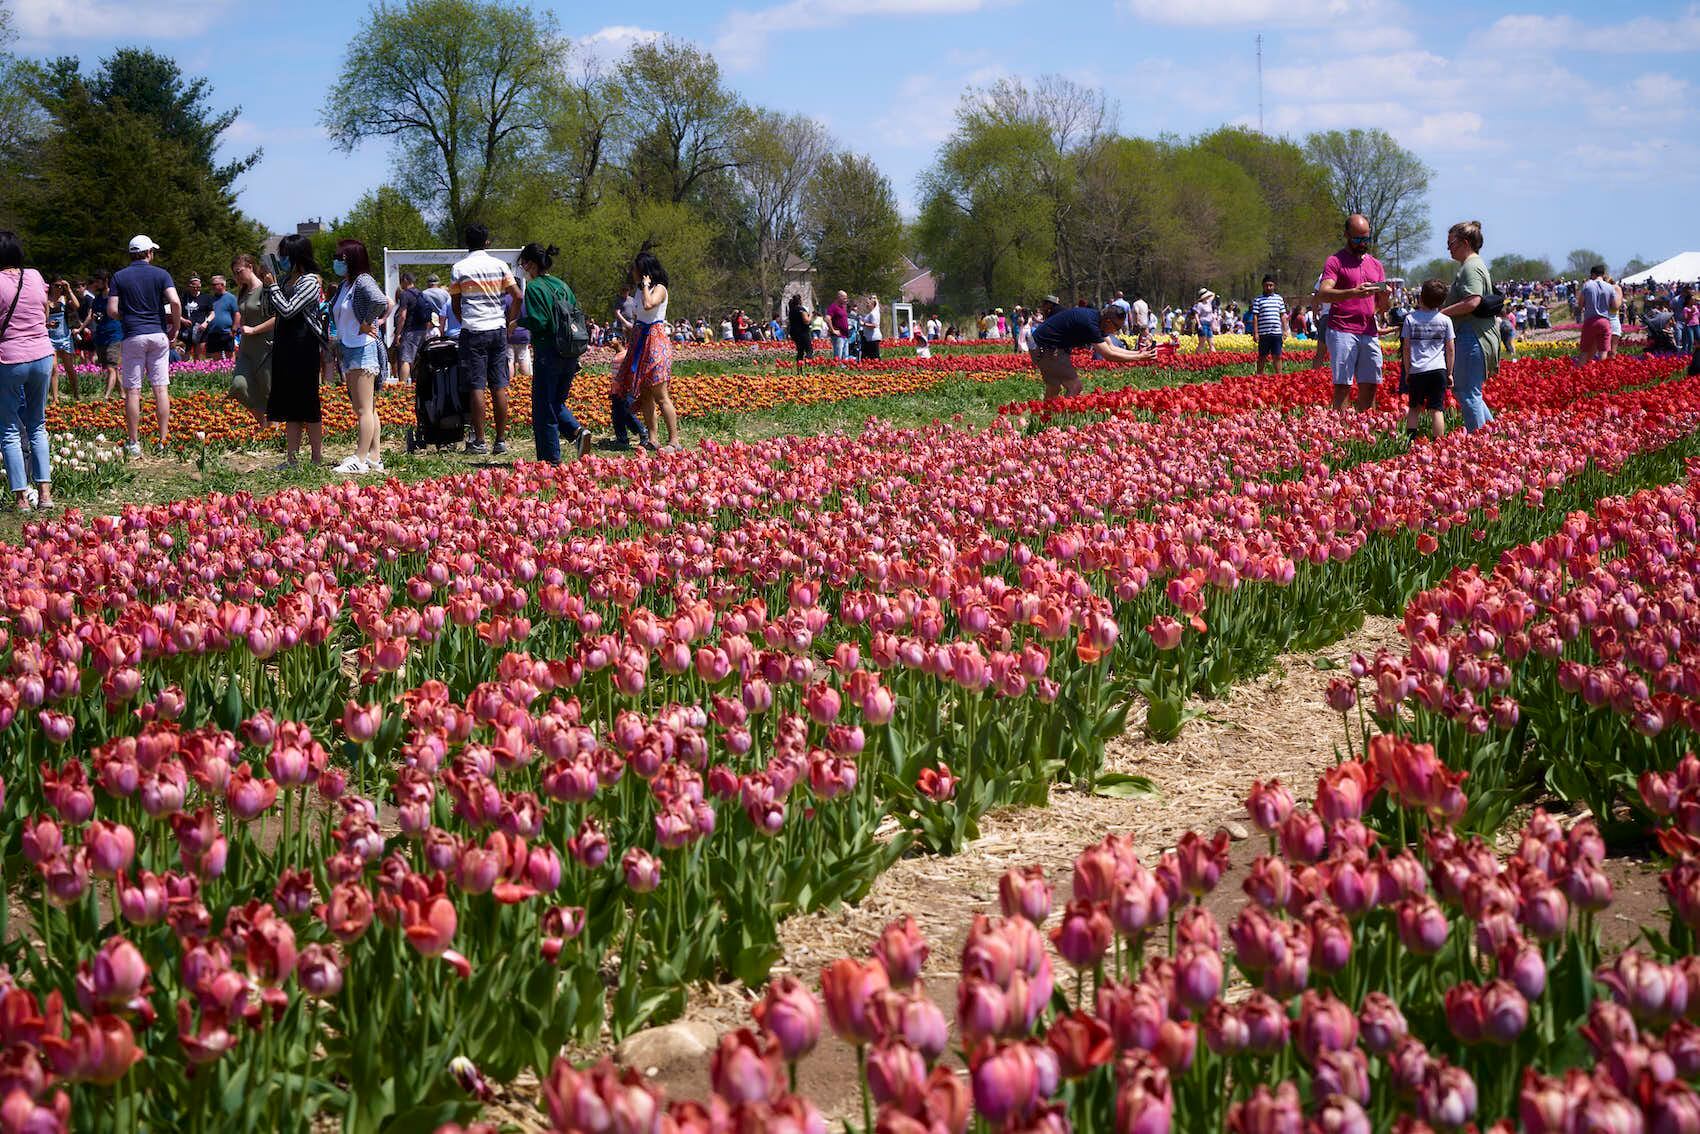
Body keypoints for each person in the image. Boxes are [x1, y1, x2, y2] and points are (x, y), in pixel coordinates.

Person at [450, 224, 522, 455]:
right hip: (497, 328)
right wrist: (510, 321)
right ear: (487, 243)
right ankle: (500, 440)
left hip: (473, 330)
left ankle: (479, 440)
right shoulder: (500, 265)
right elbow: (518, 296)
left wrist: (465, 321)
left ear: (466, 242)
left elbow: (455, 303)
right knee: (500, 384)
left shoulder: (459, 268)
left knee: (476, 385)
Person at [517, 241, 591, 464]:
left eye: (522, 264)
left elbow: (541, 322)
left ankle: (550, 460)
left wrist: (518, 321)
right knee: (557, 401)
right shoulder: (562, 284)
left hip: (548, 351)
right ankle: (578, 433)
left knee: (544, 407)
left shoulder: (535, 288)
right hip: (570, 350)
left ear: (529, 264)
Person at [109, 235, 181, 455]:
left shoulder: (119, 277)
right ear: (149, 253)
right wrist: (175, 328)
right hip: (158, 335)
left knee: (133, 391)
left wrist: (128, 317)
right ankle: (163, 440)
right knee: (160, 388)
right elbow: (175, 301)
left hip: (133, 335)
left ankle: (134, 442)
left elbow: (112, 310)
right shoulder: (161, 274)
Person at [0, 230, 55, 511]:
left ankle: (21, 499)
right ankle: (45, 495)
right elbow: (44, 314)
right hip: (43, 355)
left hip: (10, 359)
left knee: (9, 429)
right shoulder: (34, 276)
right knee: (37, 424)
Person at [261, 233, 326, 468]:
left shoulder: (310, 281)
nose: (282, 258)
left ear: (298, 255)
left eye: (285, 254)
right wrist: (270, 288)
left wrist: (273, 287)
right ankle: (292, 458)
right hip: (285, 345)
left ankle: (316, 457)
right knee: (289, 404)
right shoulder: (287, 279)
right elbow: (273, 309)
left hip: (303, 345)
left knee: (307, 402)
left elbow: (289, 310)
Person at [1315, 214, 1390, 413]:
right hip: (1342, 330)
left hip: (1368, 330)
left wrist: (1385, 297)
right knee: (1343, 385)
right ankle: (1341, 429)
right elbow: (1323, 293)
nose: (1362, 243)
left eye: (1366, 239)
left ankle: (1366, 427)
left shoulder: (1376, 265)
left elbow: (1382, 308)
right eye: (1357, 239)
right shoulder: (1335, 261)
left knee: (1371, 383)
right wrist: (1352, 293)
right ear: (1346, 235)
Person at [329, 238, 391, 473]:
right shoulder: (347, 284)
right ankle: (374, 456)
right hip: (350, 347)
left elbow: (380, 300)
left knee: (364, 409)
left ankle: (360, 459)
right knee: (368, 408)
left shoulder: (363, 281)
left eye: (340, 258)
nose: (336, 261)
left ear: (351, 259)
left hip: (363, 348)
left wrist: (367, 322)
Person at [1437, 220, 1498, 433]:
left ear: (1464, 242)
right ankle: (1492, 436)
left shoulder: (1471, 267)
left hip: (1471, 335)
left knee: (1466, 392)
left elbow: (1473, 301)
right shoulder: (1474, 265)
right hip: (1475, 334)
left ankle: (1480, 446)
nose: (1448, 248)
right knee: (1470, 392)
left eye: (1451, 243)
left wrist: (1440, 315)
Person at [1027, 304, 1155, 400]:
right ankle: (1058, 417)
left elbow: (1111, 346)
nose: (1116, 331)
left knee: (1054, 386)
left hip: (1042, 344)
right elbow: (1108, 354)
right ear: (1108, 321)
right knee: (1075, 386)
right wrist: (1139, 358)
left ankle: (1046, 420)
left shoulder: (1098, 320)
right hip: (1045, 346)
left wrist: (1138, 353)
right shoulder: (1090, 324)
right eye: (1117, 327)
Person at [626, 249, 680, 451]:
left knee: (660, 393)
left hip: (656, 341)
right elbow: (637, 315)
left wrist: (647, 285)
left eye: (636, 268)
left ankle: (674, 440)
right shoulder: (640, 290)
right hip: (641, 340)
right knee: (646, 393)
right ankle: (652, 437)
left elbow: (649, 306)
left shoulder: (659, 289)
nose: (632, 271)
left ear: (645, 271)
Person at [1399, 279, 1455, 441]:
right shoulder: (1445, 321)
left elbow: (1406, 348)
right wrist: (1449, 373)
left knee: (1414, 408)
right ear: (1442, 301)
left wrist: (1408, 370)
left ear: (1420, 298)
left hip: (1417, 370)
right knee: (1437, 409)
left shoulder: (1410, 319)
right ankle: (1439, 443)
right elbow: (1450, 349)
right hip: (1438, 370)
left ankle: (1410, 441)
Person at [228, 253, 272, 428]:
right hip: (247, 349)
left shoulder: (266, 289)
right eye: (234, 273)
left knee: (269, 391)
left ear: (250, 267)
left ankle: (271, 431)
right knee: (239, 386)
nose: (237, 276)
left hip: (266, 348)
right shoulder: (244, 291)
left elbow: (278, 319)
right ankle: (263, 423)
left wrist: (254, 330)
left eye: (239, 271)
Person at [86, 271, 123, 400]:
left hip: (114, 334)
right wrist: (96, 317)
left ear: (106, 280)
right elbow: (95, 315)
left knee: (111, 367)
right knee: (112, 368)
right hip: (101, 335)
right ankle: (123, 394)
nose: (96, 284)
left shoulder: (115, 297)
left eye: (98, 281)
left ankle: (106, 396)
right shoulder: (97, 299)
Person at [46, 279, 81, 401]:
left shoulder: (64, 298)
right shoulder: (46, 300)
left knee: (69, 368)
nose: (59, 288)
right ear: (51, 285)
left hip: (65, 338)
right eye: (57, 285)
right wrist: (48, 324)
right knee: (54, 368)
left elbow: (77, 306)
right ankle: (55, 398)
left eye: (61, 286)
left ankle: (76, 394)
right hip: (51, 338)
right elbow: (43, 319)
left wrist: (69, 289)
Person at [1575, 264, 1617, 363]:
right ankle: (1601, 373)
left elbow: (1580, 304)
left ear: (1592, 274)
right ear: (1603, 274)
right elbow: (1614, 306)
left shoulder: (1587, 285)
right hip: (1604, 321)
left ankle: (1580, 370)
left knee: (1585, 350)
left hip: (1590, 320)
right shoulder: (1610, 287)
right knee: (1603, 351)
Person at [393, 272, 428, 384]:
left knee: (405, 359)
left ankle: (401, 387)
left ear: (405, 280)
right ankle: (416, 384)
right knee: (417, 358)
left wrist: (398, 333)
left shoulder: (405, 294)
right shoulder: (420, 293)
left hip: (410, 330)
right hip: (422, 330)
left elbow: (402, 316)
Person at [1250, 275, 1287, 375]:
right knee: (1262, 356)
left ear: (1274, 286)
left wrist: (1285, 330)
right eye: (1266, 285)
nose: (1269, 287)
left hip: (1276, 332)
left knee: (1277, 356)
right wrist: (1255, 333)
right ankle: (1259, 376)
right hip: (1263, 333)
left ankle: (1279, 376)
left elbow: (1283, 315)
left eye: (1271, 285)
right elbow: (1255, 317)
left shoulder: (1279, 299)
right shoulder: (1258, 300)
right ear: (1263, 286)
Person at [202, 275, 239, 361]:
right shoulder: (211, 299)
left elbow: (237, 314)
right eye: (212, 285)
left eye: (215, 284)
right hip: (213, 332)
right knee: (216, 358)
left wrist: (234, 329)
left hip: (227, 332)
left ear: (222, 285)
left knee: (230, 355)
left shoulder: (231, 298)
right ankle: (219, 374)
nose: (213, 287)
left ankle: (230, 373)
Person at [180, 275, 212, 359]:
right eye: (193, 287)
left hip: (200, 330)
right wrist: (183, 320)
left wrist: (206, 323)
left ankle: (197, 369)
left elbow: (212, 313)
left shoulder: (206, 297)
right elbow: (175, 312)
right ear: (189, 286)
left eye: (198, 287)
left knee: (198, 355)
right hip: (186, 331)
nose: (196, 289)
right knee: (185, 356)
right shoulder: (183, 297)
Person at [787, 294, 813, 361]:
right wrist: (811, 316)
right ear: (800, 301)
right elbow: (806, 321)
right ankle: (808, 365)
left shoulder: (791, 310)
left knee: (800, 351)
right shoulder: (801, 309)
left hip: (794, 333)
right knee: (809, 350)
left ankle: (799, 368)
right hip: (803, 332)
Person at [827, 291, 850, 360]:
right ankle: (837, 370)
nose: (846, 300)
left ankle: (844, 370)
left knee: (845, 357)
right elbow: (827, 318)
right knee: (838, 357)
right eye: (844, 298)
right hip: (838, 336)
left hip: (845, 335)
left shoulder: (843, 307)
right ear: (839, 297)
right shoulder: (833, 307)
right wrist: (833, 330)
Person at [859, 294, 883, 360]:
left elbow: (874, 325)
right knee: (870, 356)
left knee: (874, 356)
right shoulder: (872, 312)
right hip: (869, 337)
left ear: (872, 305)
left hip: (873, 338)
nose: (867, 305)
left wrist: (863, 324)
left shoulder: (873, 313)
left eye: (868, 303)